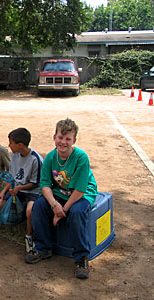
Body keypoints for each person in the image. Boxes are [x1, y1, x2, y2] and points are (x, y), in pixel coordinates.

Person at [24, 118, 98, 280]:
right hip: (60, 192)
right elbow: (45, 185)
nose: (63, 142)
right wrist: (54, 205)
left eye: (68, 139)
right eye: (60, 137)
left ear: (74, 141)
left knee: (77, 212)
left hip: (82, 193)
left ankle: (81, 257)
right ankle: (43, 248)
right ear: (54, 137)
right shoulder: (51, 157)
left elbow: (79, 189)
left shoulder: (81, 157)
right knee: (39, 206)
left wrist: (62, 211)